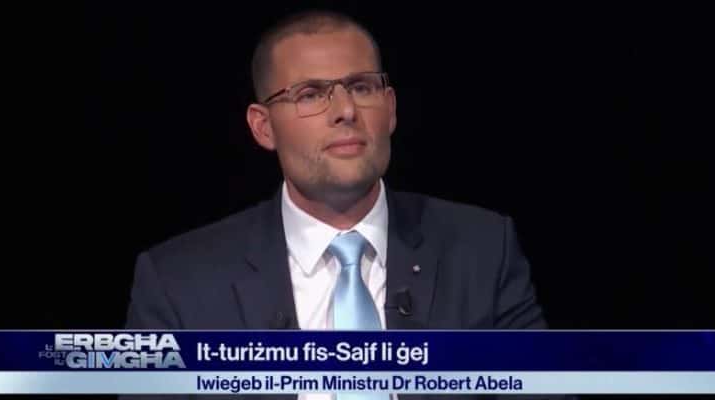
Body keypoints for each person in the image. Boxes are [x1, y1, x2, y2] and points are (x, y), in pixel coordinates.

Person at [124, 9, 568, 400]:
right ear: (263, 127)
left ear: (390, 109)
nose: (346, 110)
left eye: (361, 87)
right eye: (310, 94)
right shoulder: (178, 283)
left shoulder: (484, 251)